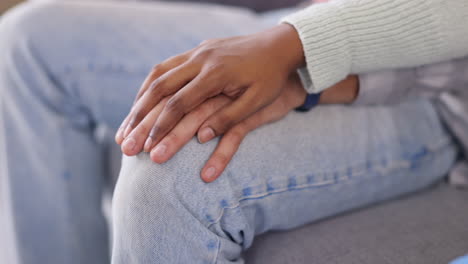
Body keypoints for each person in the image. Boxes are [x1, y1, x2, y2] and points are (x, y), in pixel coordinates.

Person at [0, 0, 466, 263]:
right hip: (328, 14)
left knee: (175, 169)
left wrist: (299, 56)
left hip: (432, 95)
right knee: (26, 42)